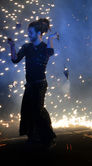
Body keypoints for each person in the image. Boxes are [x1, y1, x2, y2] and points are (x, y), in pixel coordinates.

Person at [8, 18, 58, 148]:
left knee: (38, 110)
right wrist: (12, 46)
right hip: (30, 85)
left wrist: (50, 39)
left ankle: (49, 138)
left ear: (38, 33)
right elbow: (15, 59)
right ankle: (33, 137)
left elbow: (50, 52)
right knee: (28, 111)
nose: (28, 35)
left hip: (40, 84)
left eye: (30, 32)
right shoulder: (27, 47)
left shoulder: (44, 48)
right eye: (28, 32)